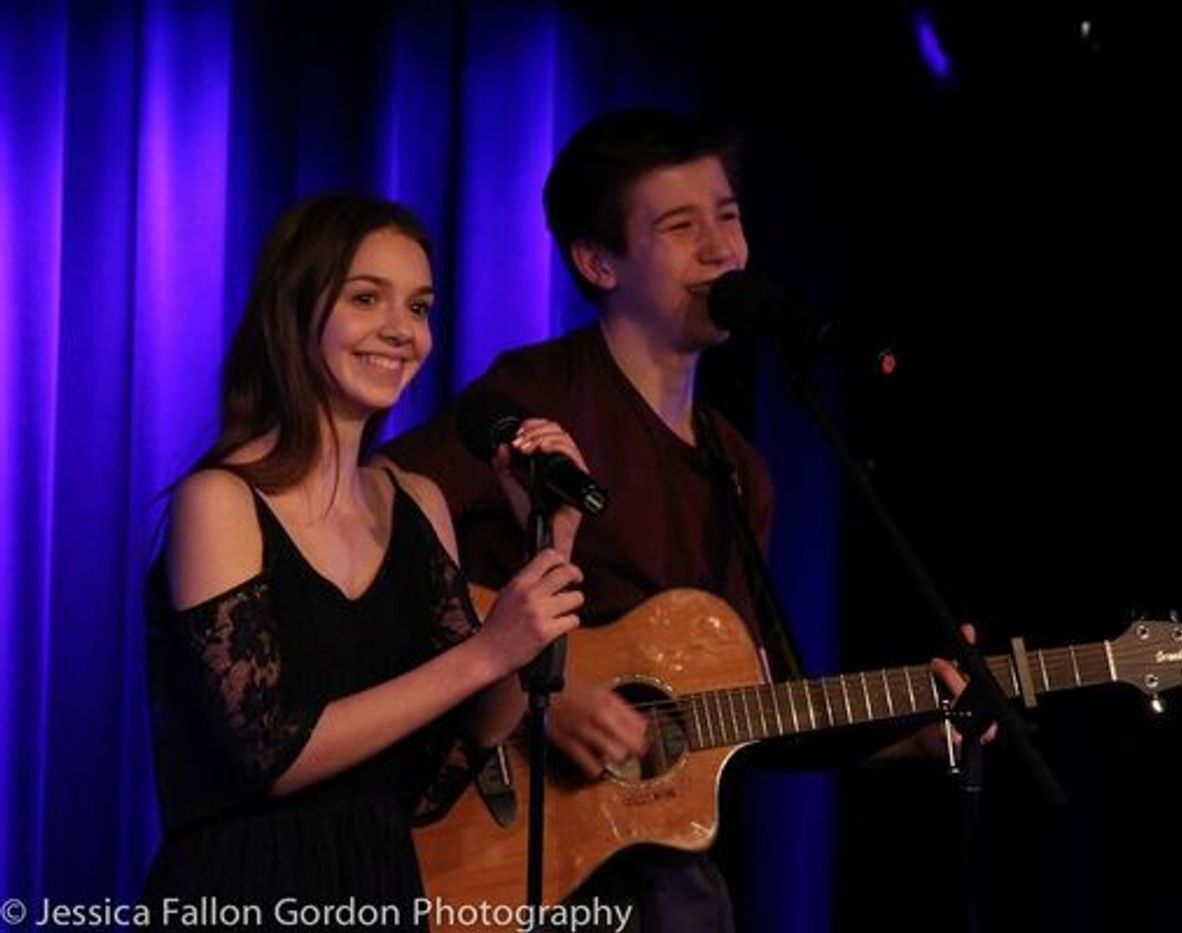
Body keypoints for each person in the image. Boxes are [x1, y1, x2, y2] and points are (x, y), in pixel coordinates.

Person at [380, 110, 975, 931]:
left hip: (653, 863)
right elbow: (361, 538)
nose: (721, 251)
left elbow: (747, 708)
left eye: (727, 217)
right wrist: (537, 673)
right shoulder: (538, 395)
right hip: (506, 838)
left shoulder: (739, 467)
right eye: (679, 225)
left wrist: (903, 730)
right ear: (598, 261)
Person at [141, 194, 587, 930]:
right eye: (366, 298)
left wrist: (550, 543)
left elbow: (467, 742)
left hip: (381, 884)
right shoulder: (218, 500)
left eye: (419, 307)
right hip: (244, 891)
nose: (401, 331)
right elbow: (271, 748)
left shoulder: (419, 501)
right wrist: (486, 650)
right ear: (296, 309)